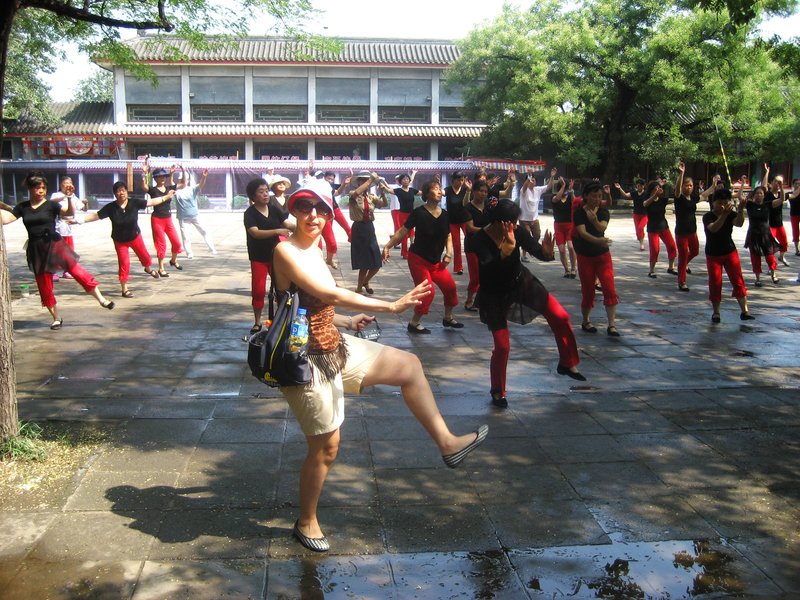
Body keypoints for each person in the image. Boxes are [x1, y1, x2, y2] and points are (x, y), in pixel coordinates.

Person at [271, 178, 488, 552]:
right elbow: (327, 293)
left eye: (322, 210)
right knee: (327, 447)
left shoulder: (317, 248)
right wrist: (390, 305)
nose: (314, 216)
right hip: (303, 359)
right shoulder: (285, 251)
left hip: (334, 344)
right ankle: (306, 520)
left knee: (409, 366)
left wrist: (345, 321)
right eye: (306, 208)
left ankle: (448, 443)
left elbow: (309, 306)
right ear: (294, 209)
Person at [471, 199, 584, 408]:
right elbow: (488, 267)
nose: (513, 226)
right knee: (502, 346)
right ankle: (498, 391)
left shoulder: (518, 231)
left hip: (521, 282)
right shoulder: (479, 239)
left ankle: (567, 363)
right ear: (497, 222)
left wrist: (547, 253)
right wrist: (504, 252)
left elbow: (537, 250)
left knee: (560, 316)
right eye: (509, 223)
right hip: (493, 294)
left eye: (515, 222)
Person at [1, 172, 115, 329]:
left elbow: (69, 213)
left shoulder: (51, 205)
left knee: (76, 270)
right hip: (36, 249)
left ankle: (102, 299)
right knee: (44, 285)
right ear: (30, 189)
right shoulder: (23, 207)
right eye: (37, 188)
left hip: (55, 244)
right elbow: (6, 219)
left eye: (43, 188)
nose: (41, 191)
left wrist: (69, 197)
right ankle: (56, 317)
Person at [382, 180, 463, 333]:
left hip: (435, 263)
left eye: (440, 189)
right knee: (428, 291)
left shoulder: (445, 214)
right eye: (435, 189)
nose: (439, 191)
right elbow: (402, 231)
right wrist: (387, 246)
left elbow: (448, 236)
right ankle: (413, 323)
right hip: (418, 259)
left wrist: (449, 253)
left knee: (450, 287)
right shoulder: (419, 213)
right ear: (426, 194)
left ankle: (448, 318)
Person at [82, 182, 165, 298]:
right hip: (120, 240)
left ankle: (148, 269)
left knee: (145, 257)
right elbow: (96, 216)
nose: (121, 193)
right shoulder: (111, 207)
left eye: (123, 190)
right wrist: (78, 220)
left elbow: (151, 202)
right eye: (118, 191)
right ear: (115, 194)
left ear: (127, 191)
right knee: (124, 263)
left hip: (135, 236)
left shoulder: (134, 203)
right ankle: (124, 289)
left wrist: (166, 197)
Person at [243, 177, 295, 336]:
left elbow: (286, 223)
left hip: (276, 256)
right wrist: (277, 231)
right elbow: (255, 232)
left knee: (282, 289)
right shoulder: (250, 213)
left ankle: (282, 319)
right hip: (258, 257)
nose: (265, 194)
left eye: (266, 191)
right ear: (253, 196)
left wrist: (302, 228)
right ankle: (258, 322)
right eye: (261, 192)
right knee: (258, 291)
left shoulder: (273, 208)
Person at [572, 182, 620, 336]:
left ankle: (611, 325)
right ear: (586, 196)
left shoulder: (603, 211)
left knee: (609, 288)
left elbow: (602, 228)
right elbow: (582, 233)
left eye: (599, 196)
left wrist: (594, 221)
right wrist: (599, 240)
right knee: (588, 290)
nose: (597, 199)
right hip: (585, 256)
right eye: (594, 196)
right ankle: (586, 320)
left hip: (602, 256)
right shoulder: (579, 212)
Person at [702, 188, 754, 323]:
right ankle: (716, 312)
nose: (722, 206)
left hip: (729, 251)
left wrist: (741, 209)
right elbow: (713, 228)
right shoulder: (707, 216)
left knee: (737, 280)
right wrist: (724, 215)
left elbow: (739, 223)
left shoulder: (730, 214)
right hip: (713, 254)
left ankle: (745, 310)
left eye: (725, 202)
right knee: (715, 282)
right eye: (719, 203)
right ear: (713, 203)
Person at [348, 171, 390, 295]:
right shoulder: (353, 195)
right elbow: (357, 192)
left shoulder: (371, 196)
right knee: (363, 262)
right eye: (363, 180)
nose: (366, 183)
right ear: (359, 182)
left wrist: (382, 191)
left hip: (369, 228)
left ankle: (365, 282)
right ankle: (359, 288)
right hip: (359, 228)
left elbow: (384, 204)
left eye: (367, 180)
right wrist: (371, 179)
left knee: (376, 262)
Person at [141, 161, 183, 276]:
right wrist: (144, 174)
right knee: (161, 244)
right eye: (159, 177)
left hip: (168, 219)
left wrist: (181, 171)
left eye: (164, 176)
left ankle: (173, 260)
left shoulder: (169, 188)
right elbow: (144, 186)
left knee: (177, 243)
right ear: (155, 178)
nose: (162, 178)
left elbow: (183, 184)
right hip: (157, 220)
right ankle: (161, 268)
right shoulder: (153, 190)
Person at [742, 181, 780, 286]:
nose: (759, 195)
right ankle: (758, 278)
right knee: (755, 257)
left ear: (764, 195)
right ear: (754, 195)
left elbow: (781, 200)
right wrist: (742, 184)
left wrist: (780, 186)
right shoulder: (750, 205)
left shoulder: (768, 205)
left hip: (766, 235)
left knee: (770, 256)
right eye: (757, 193)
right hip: (753, 235)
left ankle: (773, 274)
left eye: (761, 193)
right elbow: (740, 197)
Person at [174, 167, 216, 259]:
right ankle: (189, 253)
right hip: (183, 218)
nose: (183, 181)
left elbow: (200, 185)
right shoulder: (176, 191)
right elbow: (170, 184)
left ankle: (211, 248)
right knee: (186, 236)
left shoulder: (192, 189)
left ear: (188, 180)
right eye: (181, 180)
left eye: (185, 179)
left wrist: (204, 177)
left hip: (195, 215)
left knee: (204, 231)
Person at [462, 179, 491, 311]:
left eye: (485, 191)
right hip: (473, 245)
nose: (483, 194)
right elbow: (470, 228)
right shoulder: (468, 208)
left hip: (488, 245)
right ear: (474, 192)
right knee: (475, 276)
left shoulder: (490, 206)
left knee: (487, 275)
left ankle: (482, 300)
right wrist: (487, 230)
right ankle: (469, 300)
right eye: (481, 191)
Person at [50, 176, 86, 280]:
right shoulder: (57, 195)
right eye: (65, 182)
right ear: (61, 185)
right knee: (56, 251)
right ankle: (53, 272)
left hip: (69, 226)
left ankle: (67, 271)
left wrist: (86, 203)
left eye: (70, 182)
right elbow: (52, 202)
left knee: (69, 251)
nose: (68, 184)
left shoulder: (73, 196)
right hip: (58, 226)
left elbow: (83, 208)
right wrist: (65, 195)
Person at [673, 162, 701, 292]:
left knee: (695, 251)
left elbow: (705, 194)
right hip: (681, 232)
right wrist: (681, 173)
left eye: (691, 185)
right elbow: (677, 189)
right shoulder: (679, 198)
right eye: (686, 185)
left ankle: (683, 265)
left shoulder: (693, 197)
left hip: (692, 231)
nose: (689, 187)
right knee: (683, 256)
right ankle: (682, 281)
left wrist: (714, 184)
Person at [642, 179, 677, 277]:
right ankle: (651, 271)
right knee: (655, 250)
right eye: (657, 188)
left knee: (672, 246)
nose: (659, 190)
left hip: (664, 227)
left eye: (659, 188)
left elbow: (673, 200)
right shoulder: (648, 199)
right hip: (653, 229)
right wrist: (655, 195)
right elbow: (645, 204)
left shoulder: (662, 200)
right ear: (652, 190)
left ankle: (671, 267)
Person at [519, 168, 555, 261]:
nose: (532, 181)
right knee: (526, 235)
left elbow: (549, 186)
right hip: (524, 219)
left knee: (537, 235)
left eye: (534, 180)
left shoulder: (538, 190)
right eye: (531, 180)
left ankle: (531, 249)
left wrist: (552, 176)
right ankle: (524, 255)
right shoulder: (523, 190)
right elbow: (525, 186)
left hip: (534, 219)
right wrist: (529, 176)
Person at [763, 164, 790, 267]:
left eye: (780, 182)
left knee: (784, 243)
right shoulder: (767, 194)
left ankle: (781, 257)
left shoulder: (781, 194)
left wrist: (782, 186)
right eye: (776, 181)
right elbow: (764, 185)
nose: (778, 184)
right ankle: (771, 265)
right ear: (772, 182)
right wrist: (767, 172)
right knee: (770, 247)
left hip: (779, 224)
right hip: (770, 224)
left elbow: (783, 198)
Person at [443, 171, 470, 274]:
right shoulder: (448, 190)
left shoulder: (465, 190)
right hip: (452, 221)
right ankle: (458, 267)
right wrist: (437, 186)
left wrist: (469, 190)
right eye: (458, 180)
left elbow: (468, 203)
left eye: (462, 180)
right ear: (453, 180)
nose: (460, 182)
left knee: (471, 240)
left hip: (465, 220)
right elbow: (442, 192)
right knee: (457, 245)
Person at [551, 177, 577, 278]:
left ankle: (573, 268)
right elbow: (557, 199)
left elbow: (575, 202)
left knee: (571, 247)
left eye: (565, 187)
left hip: (570, 225)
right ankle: (566, 269)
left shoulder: (569, 197)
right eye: (563, 187)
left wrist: (570, 190)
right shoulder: (554, 197)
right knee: (561, 249)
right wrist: (563, 186)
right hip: (558, 226)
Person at [615, 179, 648, 251]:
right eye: (637, 185)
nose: (638, 187)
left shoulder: (646, 194)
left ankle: (642, 244)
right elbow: (625, 195)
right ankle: (641, 242)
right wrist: (620, 188)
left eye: (639, 185)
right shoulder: (634, 193)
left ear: (643, 186)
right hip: (636, 214)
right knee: (638, 231)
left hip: (645, 215)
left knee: (640, 228)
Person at [391, 171, 419, 259]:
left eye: (407, 179)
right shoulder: (398, 190)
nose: (406, 181)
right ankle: (404, 253)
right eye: (403, 179)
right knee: (404, 235)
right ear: (400, 181)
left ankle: (413, 251)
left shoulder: (412, 190)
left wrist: (431, 190)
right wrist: (381, 184)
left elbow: (422, 192)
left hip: (412, 214)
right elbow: (387, 190)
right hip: (402, 215)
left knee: (412, 233)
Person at [788, 178, 800, 257]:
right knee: (795, 232)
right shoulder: (790, 194)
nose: (798, 185)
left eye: (799, 184)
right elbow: (792, 197)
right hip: (794, 214)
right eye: (796, 183)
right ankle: (797, 249)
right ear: (793, 185)